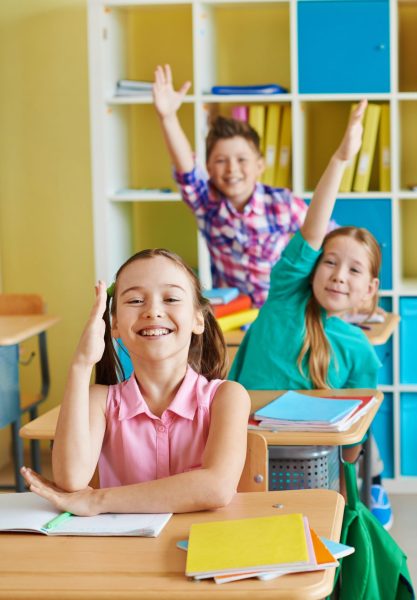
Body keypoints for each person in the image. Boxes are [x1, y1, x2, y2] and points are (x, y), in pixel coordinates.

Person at [228, 100, 393, 527]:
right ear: (312, 267)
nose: (339, 275)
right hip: (242, 457)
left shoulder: (359, 349)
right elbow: (313, 229)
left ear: (370, 289)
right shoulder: (286, 298)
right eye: (330, 262)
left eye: (354, 269)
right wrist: (340, 159)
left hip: (311, 471)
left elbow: (354, 444)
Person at [21, 250, 250, 515]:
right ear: (114, 324)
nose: (152, 311)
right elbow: (72, 479)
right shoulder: (100, 401)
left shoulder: (227, 397)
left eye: (171, 298)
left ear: (199, 319)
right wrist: (81, 365)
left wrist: (97, 501)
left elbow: (216, 487)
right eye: (136, 300)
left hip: (204, 547)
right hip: (124, 553)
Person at [152, 64, 317, 308]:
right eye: (220, 160)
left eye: (242, 160)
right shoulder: (207, 206)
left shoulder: (282, 203)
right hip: (235, 318)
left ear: (260, 164)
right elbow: (186, 172)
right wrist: (168, 118)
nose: (232, 169)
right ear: (208, 167)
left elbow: (327, 238)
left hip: (284, 314)